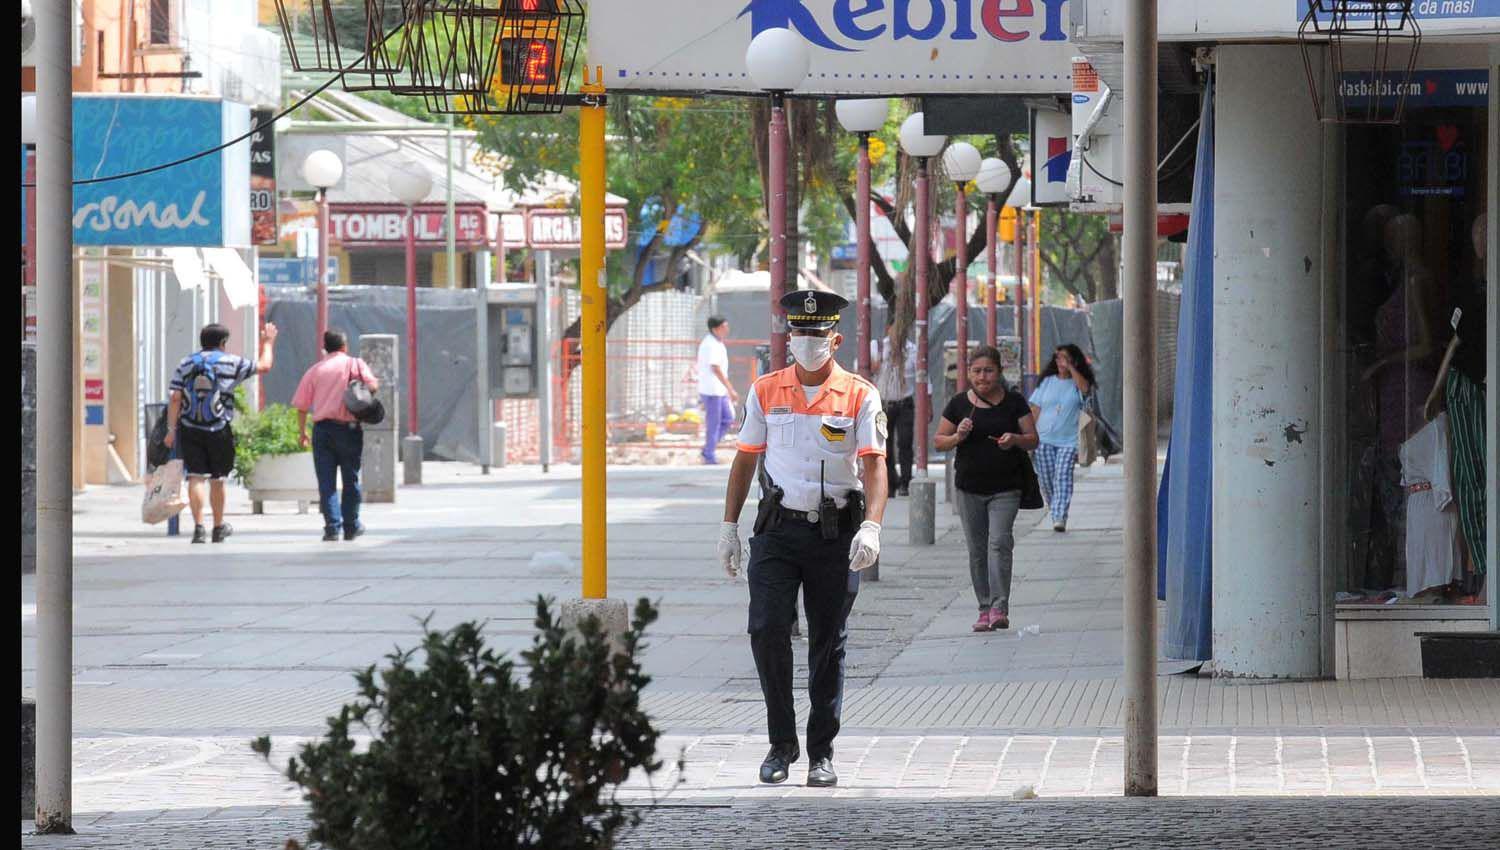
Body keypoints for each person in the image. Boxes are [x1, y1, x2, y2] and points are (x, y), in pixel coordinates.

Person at [717, 290, 887, 788]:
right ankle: (779, 744)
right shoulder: (766, 390)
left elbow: (874, 468)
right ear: (788, 338)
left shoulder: (860, 394)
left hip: (836, 533)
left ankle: (820, 752)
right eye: (800, 333)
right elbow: (746, 458)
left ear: (834, 339)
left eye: (817, 335)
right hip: (777, 530)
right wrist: (729, 527)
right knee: (767, 629)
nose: (808, 342)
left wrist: (873, 526)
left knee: (827, 643)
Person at [936, 346, 1039, 632]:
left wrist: (1015, 439)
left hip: (1007, 488)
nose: (983, 377)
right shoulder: (958, 404)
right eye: (977, 371)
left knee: (1000, 542)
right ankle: (984, 607)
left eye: (989, 371)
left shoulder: (1014, 402)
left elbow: (1033, 439)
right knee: (977, 550)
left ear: (999, 372)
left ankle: (999, 607)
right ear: (969, 373)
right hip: (969, 488)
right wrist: (959, 435)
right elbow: (939, 440)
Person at [164, 322, 278, 544]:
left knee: (195, 477)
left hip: (190, 428)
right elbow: (264, 366)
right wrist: (268, 342)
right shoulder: (231, 362)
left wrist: (171, 431)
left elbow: (175, 397)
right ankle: (217, 527)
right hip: (219, 428)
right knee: (218, 479)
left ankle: (198, 528)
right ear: (223, 343)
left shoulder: (186, 363)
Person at [1423, 213, 1488, 599]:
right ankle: (1482, 570)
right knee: (1471, 475)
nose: (1481, 242)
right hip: (1468, 388)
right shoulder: (1471, 290)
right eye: (1478, 235)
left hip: (1483, 386)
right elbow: (1454, 342)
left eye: (1486, 234)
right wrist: (1436, 390)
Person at [291, 330, 380, 542]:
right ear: (344, 346)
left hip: (322, 431)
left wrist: (302, 432)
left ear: (325, 347)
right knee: (351, 478)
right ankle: (351, 525)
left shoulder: (315, 370)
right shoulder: (356, 364)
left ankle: (332, 527)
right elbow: (374, 386)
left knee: (326, 481)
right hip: (349, 429)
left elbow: (301, 406)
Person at [1029, 344, 1096, 532]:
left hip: (1069, 441)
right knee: (1046, 479)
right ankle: (1055, 508)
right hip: (1044, 440)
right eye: (1058, 358)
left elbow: (1084, 390)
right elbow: (1035, 409)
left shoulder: (1078, 383)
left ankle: (1060, 516)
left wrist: (1071, 368)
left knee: (1063, 476)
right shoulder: (1047, 382)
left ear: (1074, 361)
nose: (1061, 362)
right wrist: (1029, 435)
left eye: (1065, 358)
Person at [871, 316, 917, 496]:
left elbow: (922, 373)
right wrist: (883, 359)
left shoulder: (912, 349)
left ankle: (906, 482)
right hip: (883, 403)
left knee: (905, 442)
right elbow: (865, 368)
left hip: (905, 401)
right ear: (888, 329)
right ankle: (891, 482)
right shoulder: (878, 347)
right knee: (885, 444)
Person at [697, 315, 739, 464]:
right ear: (715, 329)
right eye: (724, 326)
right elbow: (715, 368)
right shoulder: (711, 344)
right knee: (714, 423)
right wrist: (730, 388)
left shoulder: (717, 342)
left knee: (727, 419)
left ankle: (709, 448)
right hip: (712, 390)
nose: (727, 329)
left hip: (718, 390)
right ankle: (709, 454)